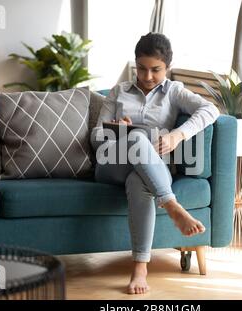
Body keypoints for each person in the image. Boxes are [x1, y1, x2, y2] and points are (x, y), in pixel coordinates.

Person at [91, 32, 220, 295]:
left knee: (140, 182)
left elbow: (211, 110)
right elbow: (95, 138)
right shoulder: (119, 91)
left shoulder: (174, 92)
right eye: (141, 68)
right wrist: (114, 130)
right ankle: (172, 206)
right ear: (134, 64)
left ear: (168, 68)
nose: (147, 76)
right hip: (112, 164)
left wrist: (177, 134)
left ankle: (140, 269)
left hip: (151, 170)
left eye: (155, 70)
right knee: (137, 137)